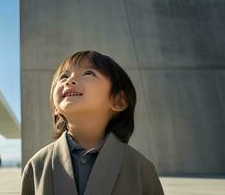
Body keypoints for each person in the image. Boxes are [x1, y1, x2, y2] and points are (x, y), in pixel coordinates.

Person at [21, 51, 164, 195]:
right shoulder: (36, 166)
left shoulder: (141, 169)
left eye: (88, 73)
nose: (69, 81)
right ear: (56, 108)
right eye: (63, 76)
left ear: (118, 101)